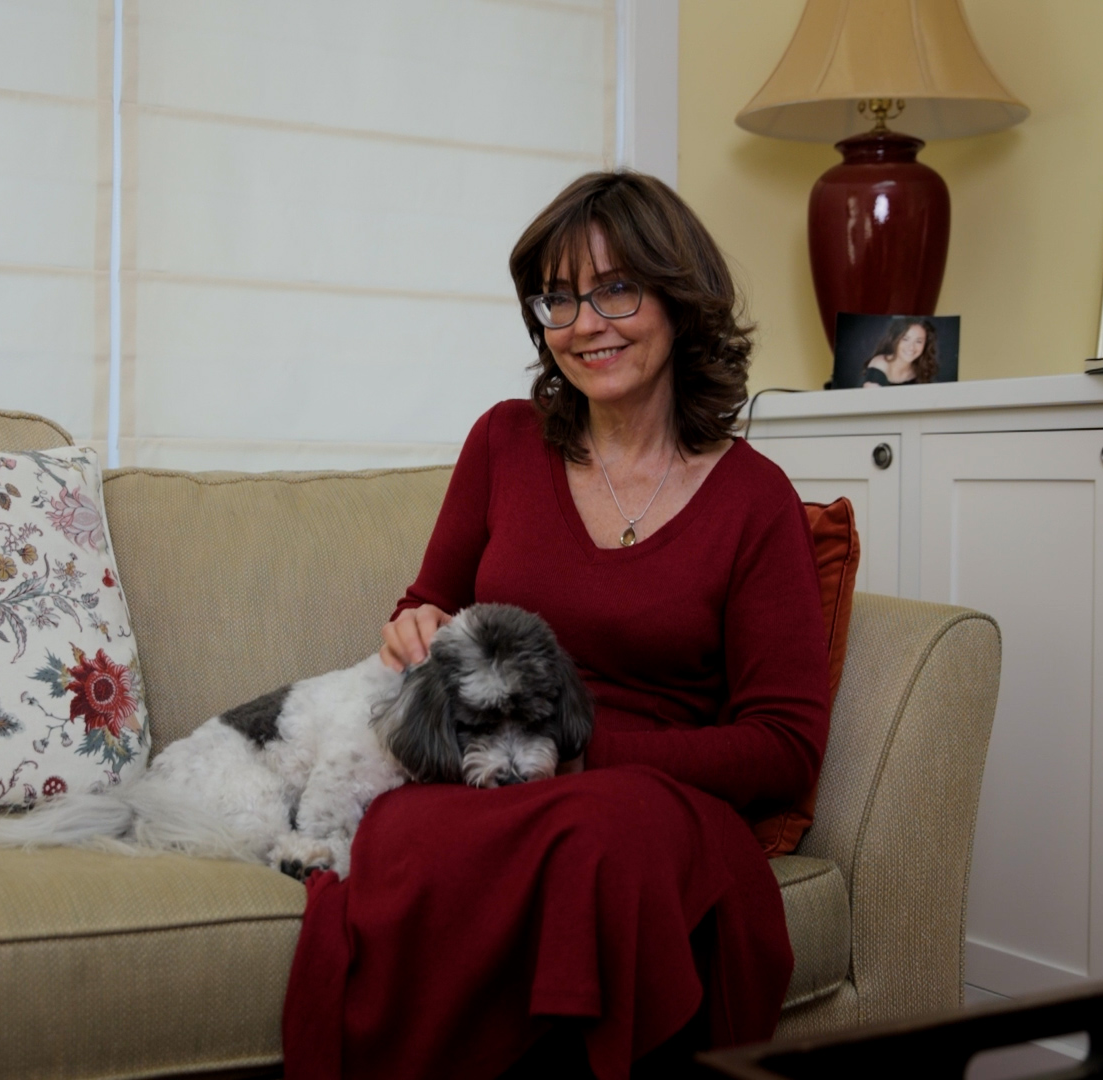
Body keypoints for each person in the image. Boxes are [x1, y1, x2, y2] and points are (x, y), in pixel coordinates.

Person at [281, 171, 830, 1079]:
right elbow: (425, 607)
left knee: (600, 840)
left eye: (616, 287)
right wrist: (414, 627)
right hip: (483, 780)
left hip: (645, 791)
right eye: (559, 297)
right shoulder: (503, 443)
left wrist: (581, 755)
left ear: (678, 299)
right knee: (405, 837)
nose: (585, 322)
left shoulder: (753, 499)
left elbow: (783, 747)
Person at [860, 317, 938, 386]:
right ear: (895, 340)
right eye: (905, 339)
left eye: (919, 341)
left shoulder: (920, 368)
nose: (911, 347)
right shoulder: (880, 365)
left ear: (925, 345)